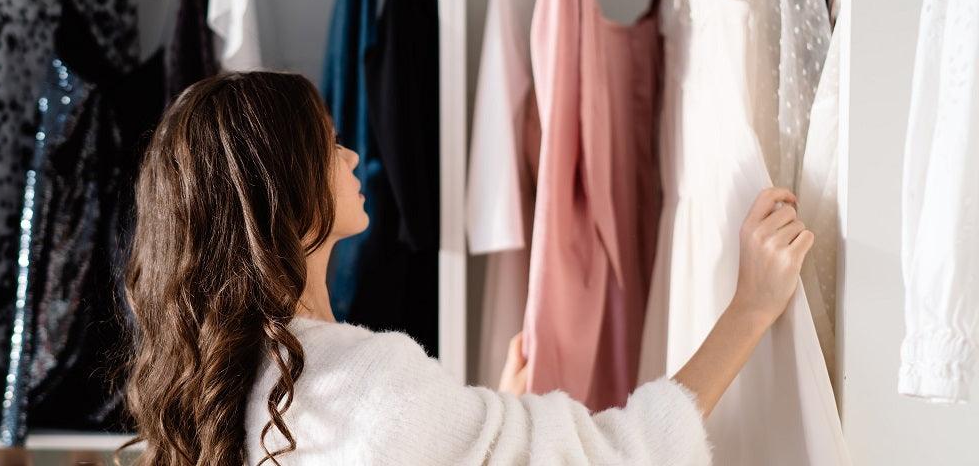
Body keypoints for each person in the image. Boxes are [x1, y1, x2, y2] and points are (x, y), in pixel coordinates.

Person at [118, 72, 814, 466]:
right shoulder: (366, 384)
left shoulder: (245, 383)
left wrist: (489, 423)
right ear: (283, 191)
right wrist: (750, 308)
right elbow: (617, 457)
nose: (351, 158)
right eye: (327, 145)